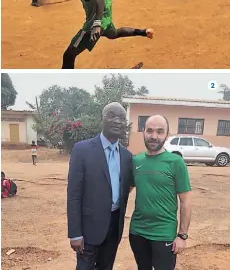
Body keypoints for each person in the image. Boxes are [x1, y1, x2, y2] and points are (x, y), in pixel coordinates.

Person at [67, 102, 134, 270]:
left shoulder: (127, 156)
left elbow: (128, 186)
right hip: (89, 227)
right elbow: (74, 194)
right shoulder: (82, 150)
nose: (117, 121)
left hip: (114, 226)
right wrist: (75, 233)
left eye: (121, 118)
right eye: (111, 116)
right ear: (101, 119)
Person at [130, 115, 192, 270]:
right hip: (137, 231)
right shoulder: (136, 161)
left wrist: (182, 235)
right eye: (149, 131)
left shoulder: (175, 162)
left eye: (159, 131)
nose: (153, 136)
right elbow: (124, 191)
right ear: (143, 132)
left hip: (164, 233)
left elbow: (186, 201)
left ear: (167, 135)